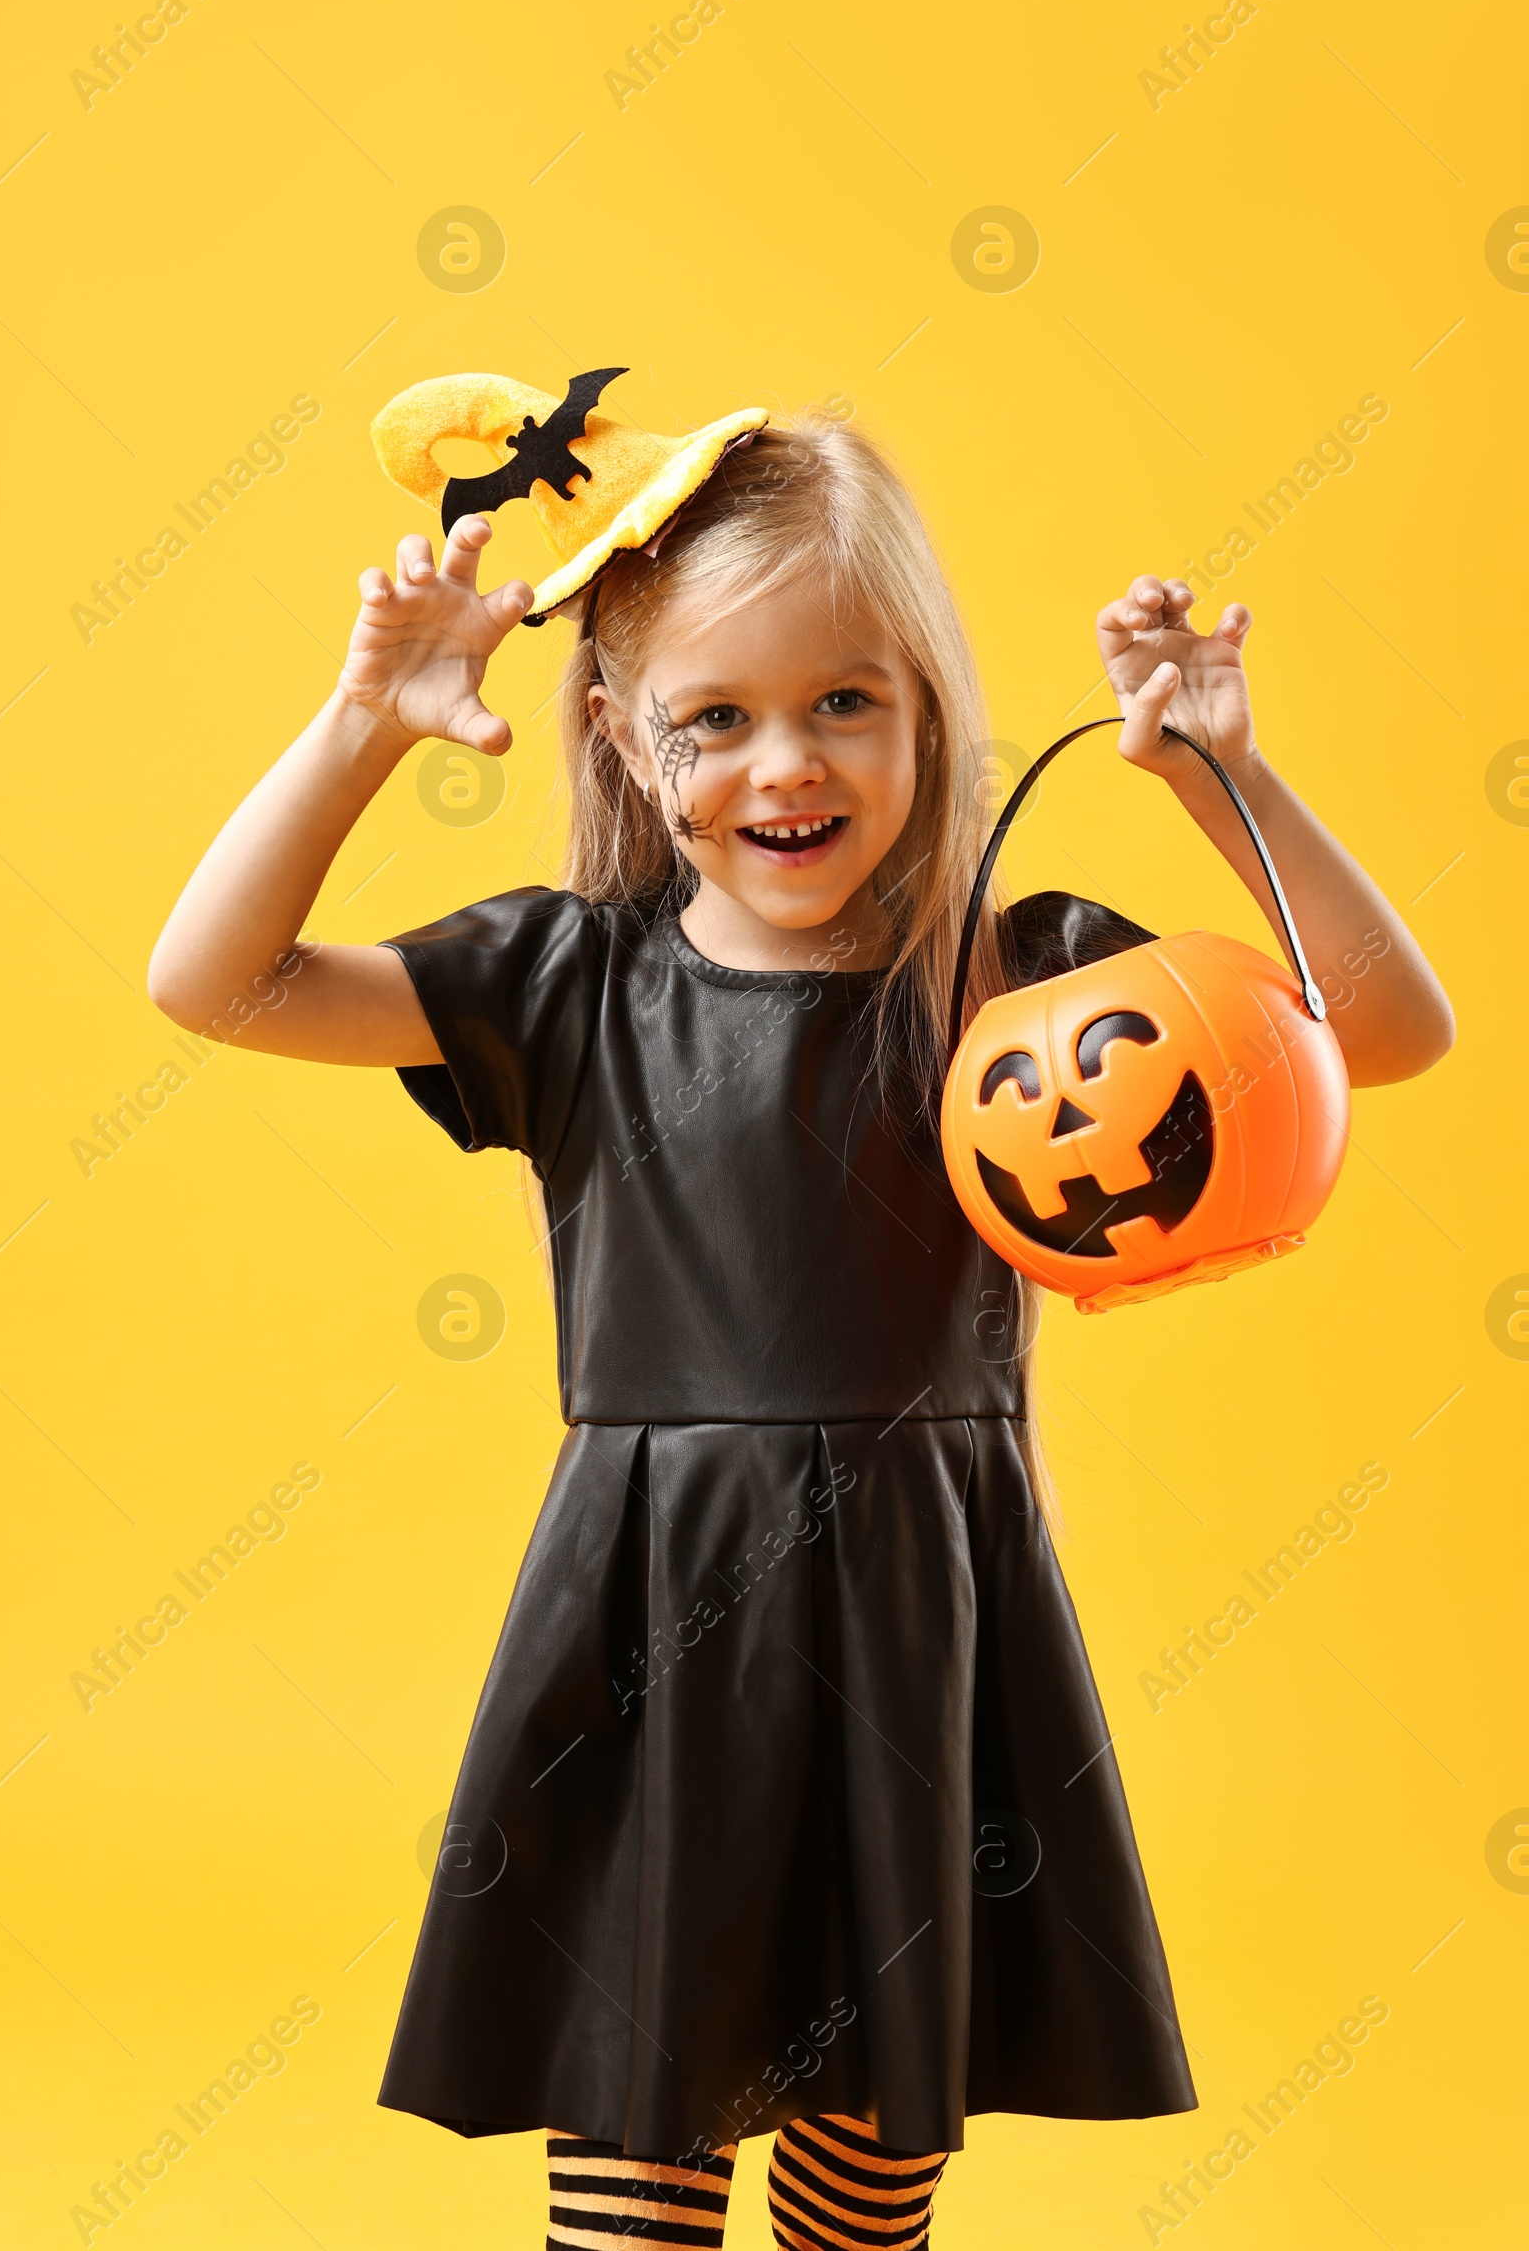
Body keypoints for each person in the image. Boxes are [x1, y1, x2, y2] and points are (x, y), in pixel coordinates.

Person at [148, 415, 1452, 2249]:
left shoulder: (1021, 981)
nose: (791, 763)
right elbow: (215, 981)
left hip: (922, 1627)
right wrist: (365, 723)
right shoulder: (568, 985)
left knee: (870, 2182)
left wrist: (1221, 779)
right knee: (636, 2163)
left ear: (930, 712)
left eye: (848, 701)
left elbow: (1384, 1032)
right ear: (620, 728)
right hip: (652, 1631)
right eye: (720, 717)